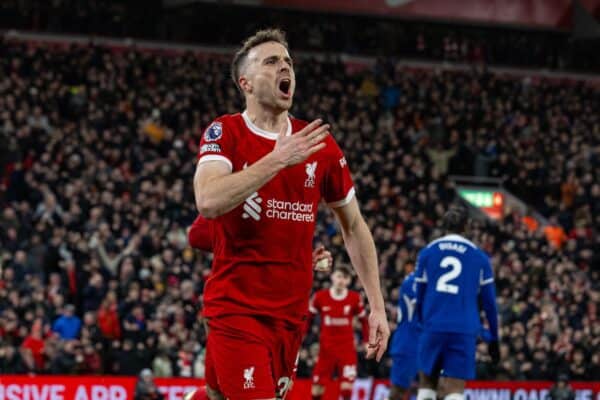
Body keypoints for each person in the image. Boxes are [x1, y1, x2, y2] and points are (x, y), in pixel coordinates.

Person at [193, 28, 389, 400]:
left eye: (288, 62)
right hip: (237, 309)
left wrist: (376, 306)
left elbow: (354, 226)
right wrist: (277, 159)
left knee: (216, 395)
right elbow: (208, 199)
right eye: (272, 61)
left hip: (289, 316)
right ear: (245, 83)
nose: (285, 67)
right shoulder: (225, 131)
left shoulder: (319, 143)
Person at [414, 206, 499, 400]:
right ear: (467, 227)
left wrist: (422, 323)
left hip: (433, 325)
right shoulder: (479, 257)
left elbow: (419, 295)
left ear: (444, 226)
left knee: (427, 384)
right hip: (463, 329)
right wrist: (494, 338)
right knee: (455, 389)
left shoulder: (427, 253)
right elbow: (490, 305)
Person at [308, 265, 369, 400]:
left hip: (346, 348)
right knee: (316, 390)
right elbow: (308, 319)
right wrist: (300, 339)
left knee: (347, 389)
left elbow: (364, 321)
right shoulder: (320, 297)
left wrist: (366, 341)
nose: (341, 280)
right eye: (339, 276)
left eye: (345, 278)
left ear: (348, 281)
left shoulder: (354, 298)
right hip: (326, 349)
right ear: (332, 277)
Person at [388, 262, 420, 400]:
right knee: (398, 390)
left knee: (434, 387)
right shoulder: (413, 281)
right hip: (409, 341)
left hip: (427, 340)